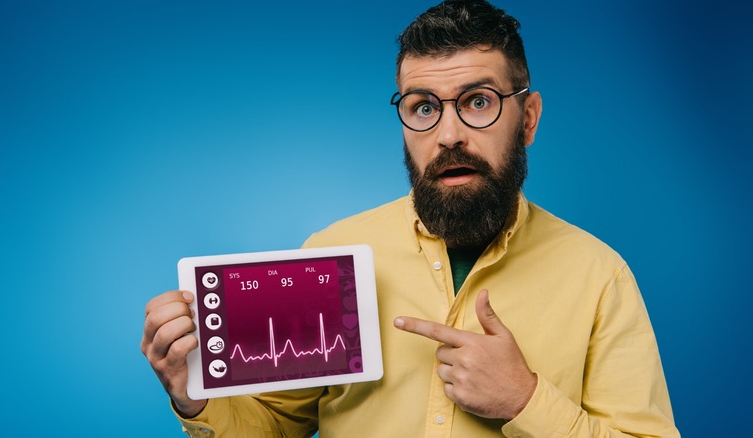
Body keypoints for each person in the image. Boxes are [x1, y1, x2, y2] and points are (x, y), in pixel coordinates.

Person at [141, 0, 680, 436]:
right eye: (424, 106)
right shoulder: (330, 253)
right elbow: (275, 424)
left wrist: (526, 400)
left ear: (529, 118)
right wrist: (194, 400)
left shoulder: (599, 276)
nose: (448, 135)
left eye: (478, 101)